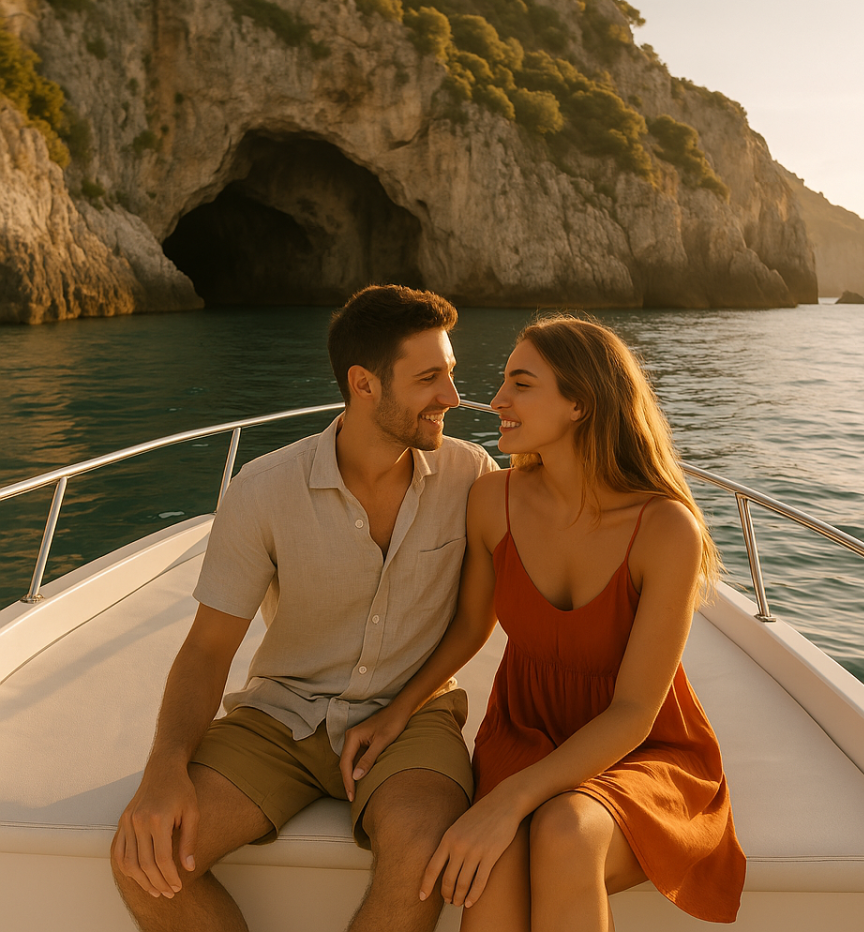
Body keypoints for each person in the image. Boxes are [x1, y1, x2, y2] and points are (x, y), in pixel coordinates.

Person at [110, 284, 498, 932]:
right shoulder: (263, 490)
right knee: (144, 862)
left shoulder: (473, 475)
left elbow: (474, 620)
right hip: (282, 715)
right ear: (364, 384)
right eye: (430, 378)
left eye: (451, 375)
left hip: (414, 714)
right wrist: (164, 768)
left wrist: (401, 709)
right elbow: (207, 650)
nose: (453, 398)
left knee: (423, 851)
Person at [342, 315, 745, 931]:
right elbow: (470, 629)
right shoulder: (492, 500)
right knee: (494, 864)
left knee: (563, 831)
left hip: (640, 746)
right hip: (524, 729)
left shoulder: (664, 529)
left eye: (520, 383)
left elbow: (635, 711)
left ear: (580, 402)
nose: (495, 399)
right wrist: (396, 712)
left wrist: (508, 799)